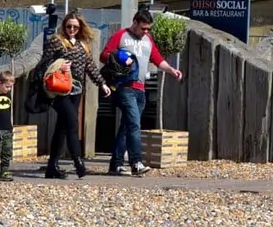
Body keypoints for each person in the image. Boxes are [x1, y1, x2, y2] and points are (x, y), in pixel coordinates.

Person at [101, 9, 184, 176]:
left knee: (127, 126)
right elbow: (104, 55)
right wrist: (121, 57)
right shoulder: (121, 35)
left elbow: (157, 59)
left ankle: (115, 164)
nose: (146, 31)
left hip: (140, 89)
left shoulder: (148, 39)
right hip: (125, 87)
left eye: (148, 29)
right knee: (134, 125)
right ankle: (136, 162)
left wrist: (171, 70)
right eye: (143, 28)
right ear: (135, 23)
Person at [40, 11, 111, 179]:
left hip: (76, 90)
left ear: (80, 28)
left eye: (75, 27)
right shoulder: (57, 42)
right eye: (69, 26)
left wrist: (102, 84)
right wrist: (60, 66)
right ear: (64, 26)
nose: (72, 29)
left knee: (62, 128)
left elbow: (91, 66)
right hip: (59, 90)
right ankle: (78, 162)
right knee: (72, 122)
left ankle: (52, 167)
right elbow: (44, 63)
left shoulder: (82, 45)